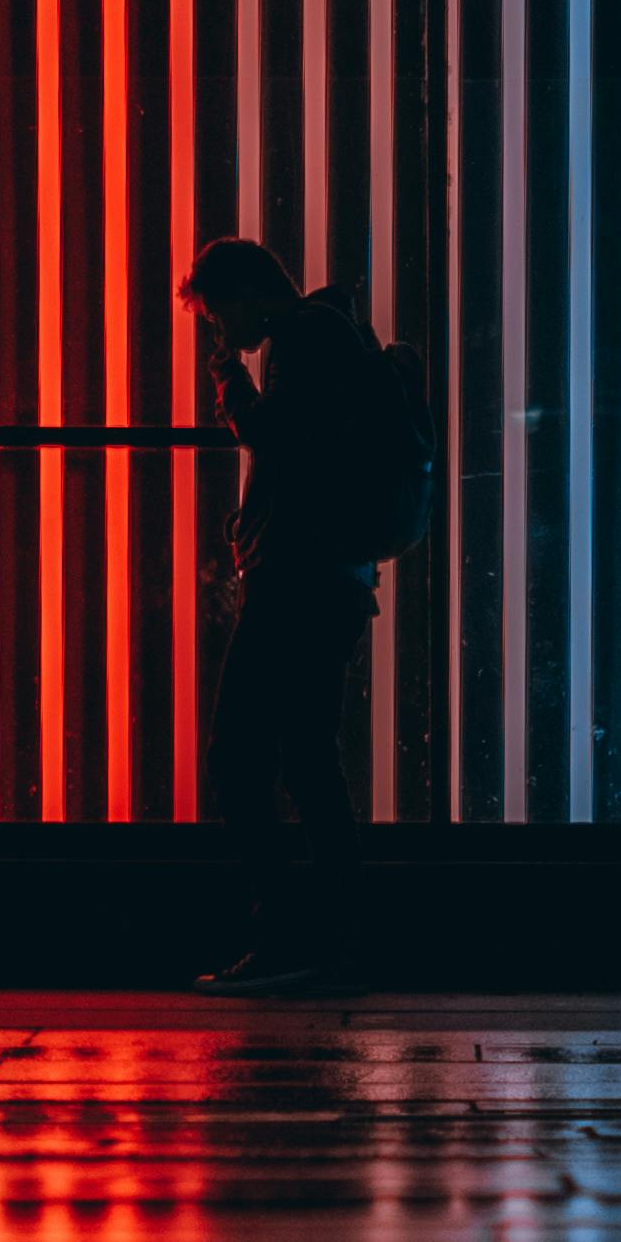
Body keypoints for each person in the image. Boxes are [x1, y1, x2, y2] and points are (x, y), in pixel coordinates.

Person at [179, 237, 378, 996]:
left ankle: (287, 938)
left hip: (298, 580)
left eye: (218, 314)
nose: (220, 331)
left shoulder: (301, 338)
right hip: (326, 578)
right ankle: (333, 940)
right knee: (304, 756)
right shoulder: (329, 334)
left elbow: (275, 439)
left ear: (244, 291)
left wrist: (227, 376)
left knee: (241, 754)